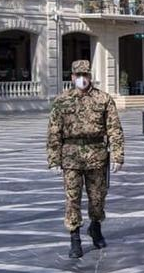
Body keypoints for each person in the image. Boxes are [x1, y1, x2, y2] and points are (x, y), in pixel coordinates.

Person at [47, 60, 124, 259]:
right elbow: (54, 131)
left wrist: (117, 155)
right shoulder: (62, 100)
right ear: (72, 77)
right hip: (71, 156)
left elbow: (114, 129)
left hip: (97, 155)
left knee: (97, 199)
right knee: (72, 199)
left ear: (90, 76)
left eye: (85, 75)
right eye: (78, 75)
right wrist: (53, 158)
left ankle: (95, 227)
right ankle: (75, 238)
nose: (82, 79)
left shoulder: (103, 99)